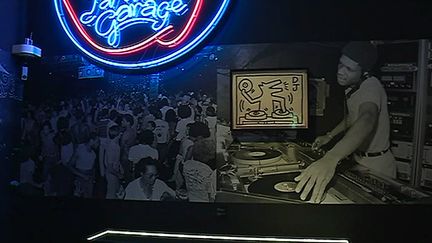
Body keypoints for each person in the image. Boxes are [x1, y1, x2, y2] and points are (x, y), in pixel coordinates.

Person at [295, 41, 397, 203]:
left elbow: (367, 119)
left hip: (377, 165)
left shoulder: (371, 87)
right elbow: (351, 118)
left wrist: (331, 158)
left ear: (364, 72)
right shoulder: (354, 86)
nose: (341, 72)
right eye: (341, 64)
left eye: (349, 69)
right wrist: (329, 135)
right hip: (360, 160)